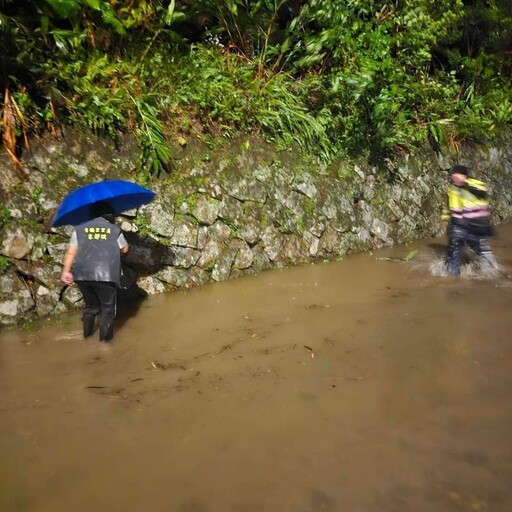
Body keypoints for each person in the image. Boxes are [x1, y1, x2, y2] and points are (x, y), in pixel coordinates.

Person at [60, 202, 129, 341]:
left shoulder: (79, 229)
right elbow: (124, 249)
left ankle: (87, 337)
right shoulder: (114, 230)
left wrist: (66, 271)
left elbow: (71, 251)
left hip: (82, 275)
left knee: (91, 307)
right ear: (109, 215)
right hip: (106, 275)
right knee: (107, 310)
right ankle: (104, 345)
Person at [442, 164, 497, 276]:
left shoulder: (476, 184)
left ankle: (492, 270)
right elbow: (447, 206)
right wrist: (444, 219)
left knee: (478, 247)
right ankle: (452, 275)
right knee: (454, 246)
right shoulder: (452, 190)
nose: (454, 179)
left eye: (456, 176)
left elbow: (482, 193)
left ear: (465, 176)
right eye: (452, 176)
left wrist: (465, 184)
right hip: (459, 224)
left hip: (477, 223)